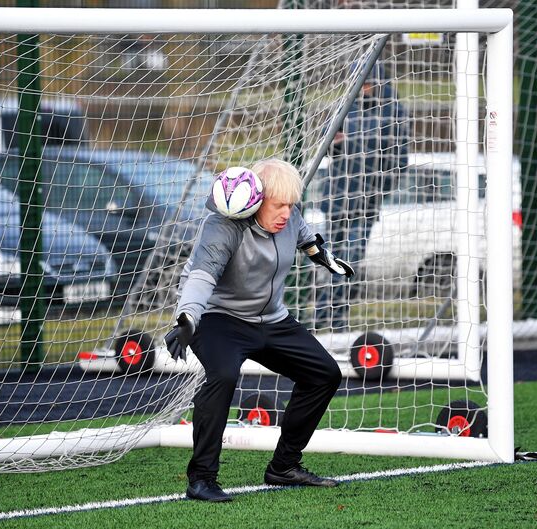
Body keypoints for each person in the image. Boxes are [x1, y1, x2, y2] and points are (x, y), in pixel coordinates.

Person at [164, 158, 354, 503]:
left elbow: (306, 237)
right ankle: (202, 478)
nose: (286, 212)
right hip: (219, 318)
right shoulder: (222, 227)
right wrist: (188, 316)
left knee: (324, 373)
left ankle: (284, 466)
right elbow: (201, 276)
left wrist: (324, 257)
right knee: (222, 375)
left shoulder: (290, 219)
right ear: (254, 201)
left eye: (291, 204)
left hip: (271, 319)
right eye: (278, 205)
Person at [315, 61, 409, 331]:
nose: (364, 89)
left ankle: (329, 317)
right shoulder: (344, 107)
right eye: (361, 83)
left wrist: (380, 192)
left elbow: (399, 161)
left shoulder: (393, 112)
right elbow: (325, 145)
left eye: (369, 84)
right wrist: (335, 142)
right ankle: (331, 319)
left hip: (366, 203)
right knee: (333, 260)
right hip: (336, 201)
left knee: (350, 260)